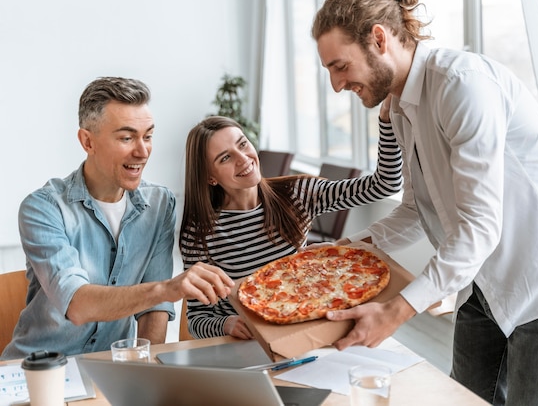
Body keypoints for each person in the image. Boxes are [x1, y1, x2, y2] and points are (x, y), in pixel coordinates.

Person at [311, 0, 538, 406]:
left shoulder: (462, 85)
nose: (336, 84)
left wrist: (396, 311)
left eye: (339, 66)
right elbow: (418, 209)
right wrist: (347, 250)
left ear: (379, 39)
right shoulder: (400, 109)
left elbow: (477, 227)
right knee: (462, 397)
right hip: (485, 275)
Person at [1, 77, 234, 360]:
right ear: (87, 141)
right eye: (126, 138)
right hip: (39, 371)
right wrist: (166, 289)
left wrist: (147, 372)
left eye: (148, 136)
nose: (142, 151)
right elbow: (78, 304)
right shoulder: (43, 208)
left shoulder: (160, 205)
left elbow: (154, 309)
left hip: (110, 370)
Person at [179, 115, 403, 339]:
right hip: (244, 344)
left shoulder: (298, 194)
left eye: (243, 144)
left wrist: (386, 120)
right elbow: (197, 319)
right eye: (226, 157)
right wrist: (227, 324)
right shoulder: (199, 233)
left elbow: (386, 183)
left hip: (302, 330)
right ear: (210, 178)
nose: (243, 158)